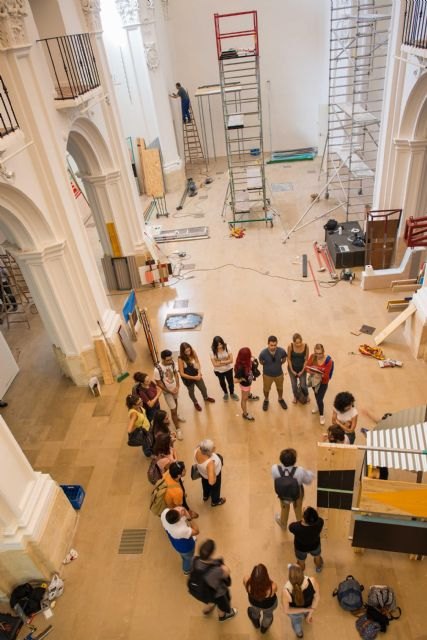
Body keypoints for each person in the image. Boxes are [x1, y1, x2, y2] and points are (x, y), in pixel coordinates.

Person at [191, 539, 237, 621]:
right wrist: (225, 569)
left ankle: (208, 609)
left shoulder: (194, 560)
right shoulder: (216, 570)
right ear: (211, 553)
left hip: (203, 591)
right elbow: (227, 573)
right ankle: (222, 616)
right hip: (217, 593)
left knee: (210, 599)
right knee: (222, 605)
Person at [271, 448, 314, 529]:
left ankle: (283, 524)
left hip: (283, 493)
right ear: (294, 460)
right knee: (298, 509)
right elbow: (308, 481)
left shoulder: (274, 468)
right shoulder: (299, 471)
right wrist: (311, 473)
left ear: (281, 459)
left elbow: (275, 478)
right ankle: (301, 525)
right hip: (297, 494)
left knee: (284, 508)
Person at [154, 350, 185, 440]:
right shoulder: (157, 369)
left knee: (176, 403)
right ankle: (178, 429)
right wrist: (169, 391)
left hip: (175, 389)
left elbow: (176, 374)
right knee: (173, 410)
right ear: (163, 359)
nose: (170, 361)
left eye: (171, 358)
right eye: (168, 360)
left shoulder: (172, 363)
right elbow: (159, 383)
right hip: (167, 392)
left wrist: (178, 386)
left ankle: (176, 416)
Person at [282, 564, 320, 638]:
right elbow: (317, 598)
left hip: (295, 612)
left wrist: (304, 610)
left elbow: (287, 610)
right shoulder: (312, 581)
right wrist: (309, 614)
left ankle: (299, 633)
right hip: (309, 607)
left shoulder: (286, 591)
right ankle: (307, 617)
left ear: (290, 578)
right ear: (302, 573)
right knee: (306, 615)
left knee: (296, 623)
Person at [161, 507, 199, 575]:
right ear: (178, 519)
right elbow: (196, 531)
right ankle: (187, 570)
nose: (179, 509)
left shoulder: (165, 512)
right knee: (188, 558)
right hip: (186, 547)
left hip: (175, 542)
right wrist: (189, 519)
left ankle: (184, 558)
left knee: (184, 556)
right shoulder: (181, 530)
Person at [178, 342, 215, 411]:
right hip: (188, 378)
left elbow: (197, 363)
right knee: (191, 391)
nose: (188, 352)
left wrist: (199, 373)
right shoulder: (180, 359)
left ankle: (205, 397)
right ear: (182, 352)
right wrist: (194, 377)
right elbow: (182, 373)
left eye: (189, 350)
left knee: (203, 388)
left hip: (196, 374)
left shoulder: (193, 352)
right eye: (186, 351)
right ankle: (195, 402)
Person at [243, 564, 278, 633]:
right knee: (268, 615)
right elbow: (275, 591)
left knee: (254, 611)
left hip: (254, 603)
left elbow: (246, 587)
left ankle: (256, 622)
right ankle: (264, 628)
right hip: (269, 605)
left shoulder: (246, 580)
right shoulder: (272, 586)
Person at [289, 507, 324, 573]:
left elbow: (290, 527)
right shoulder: (319, 523)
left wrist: (300, 522)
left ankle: (301, 571)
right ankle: (319, 568)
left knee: (301, 562)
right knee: (317, 557)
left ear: (303, 518)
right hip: (315, 546)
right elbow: (319, 519)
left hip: (301, 548)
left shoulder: (296, 527)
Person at [305, 344, 334, 425]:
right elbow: (306, 367)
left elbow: (326, 377)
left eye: (320, 353)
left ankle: (321, 415)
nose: (318, 355)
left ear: (323, 352)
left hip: (323, 383)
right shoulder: (312, 356)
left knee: (319, 399)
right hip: (314, 381)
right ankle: (318, 406)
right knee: (316, 395)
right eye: (316, 353)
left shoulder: (329, 361)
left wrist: (318, 374)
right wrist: (312, 372)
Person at [259, 335, 288, 411]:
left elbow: (284, 358)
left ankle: (280, 398)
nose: (273, 347)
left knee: (280, 388)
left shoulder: (281, 351)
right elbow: (261, 361)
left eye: (275, 345)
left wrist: (279, 364)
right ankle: (266, 400)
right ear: (268, 344)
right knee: (266, 389)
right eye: (271, 345)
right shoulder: (263, 353)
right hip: (267, 375)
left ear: (277, 344)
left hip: (279, 374)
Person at [194, 439, 226, 507]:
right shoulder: (210, 463)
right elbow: (211, 482)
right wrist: (213, 471)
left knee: (205, 483)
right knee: (215, 488)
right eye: (213, 448)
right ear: (208, 452)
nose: (215, 447)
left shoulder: (197, 449)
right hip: (212, 475)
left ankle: (206, 496)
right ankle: (215, 501)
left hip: (203, 474)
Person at [210, 336, 239, 401]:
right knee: (222, 382)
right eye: (217, 345)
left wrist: (219, 361)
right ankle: (225, 393)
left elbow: (231, 360)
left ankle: (232, 393)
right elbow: (215, 364)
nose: (219, 346)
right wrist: (226, 360)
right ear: (214, 345)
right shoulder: (212, 351)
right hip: (219, 371)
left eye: (220, 344)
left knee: (230, 382)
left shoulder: (227, 347)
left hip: (228, 369)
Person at [234, 347, 259, 421]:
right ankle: (245, 414)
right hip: (245, 385)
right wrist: (242, 379)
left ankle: (249, 395)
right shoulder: (241, 368)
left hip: (248, 383)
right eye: (249, 355)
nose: (251, 356)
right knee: (244, 399)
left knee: (247, 392)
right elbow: (235, 380)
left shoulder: (247, 361)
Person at [287, 333, 309, 404]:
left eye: (300, 342)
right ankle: (295, 396)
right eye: (296, 343)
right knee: (294, 385)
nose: (299, 344)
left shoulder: (306, 346)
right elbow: (289, 359)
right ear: (293, 342)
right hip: (292, 369)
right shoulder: (290, 346)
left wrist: (302, 371)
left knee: (303, 384)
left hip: (302, 368)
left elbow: (306, 360)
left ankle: (306, 395)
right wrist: (292, 370)